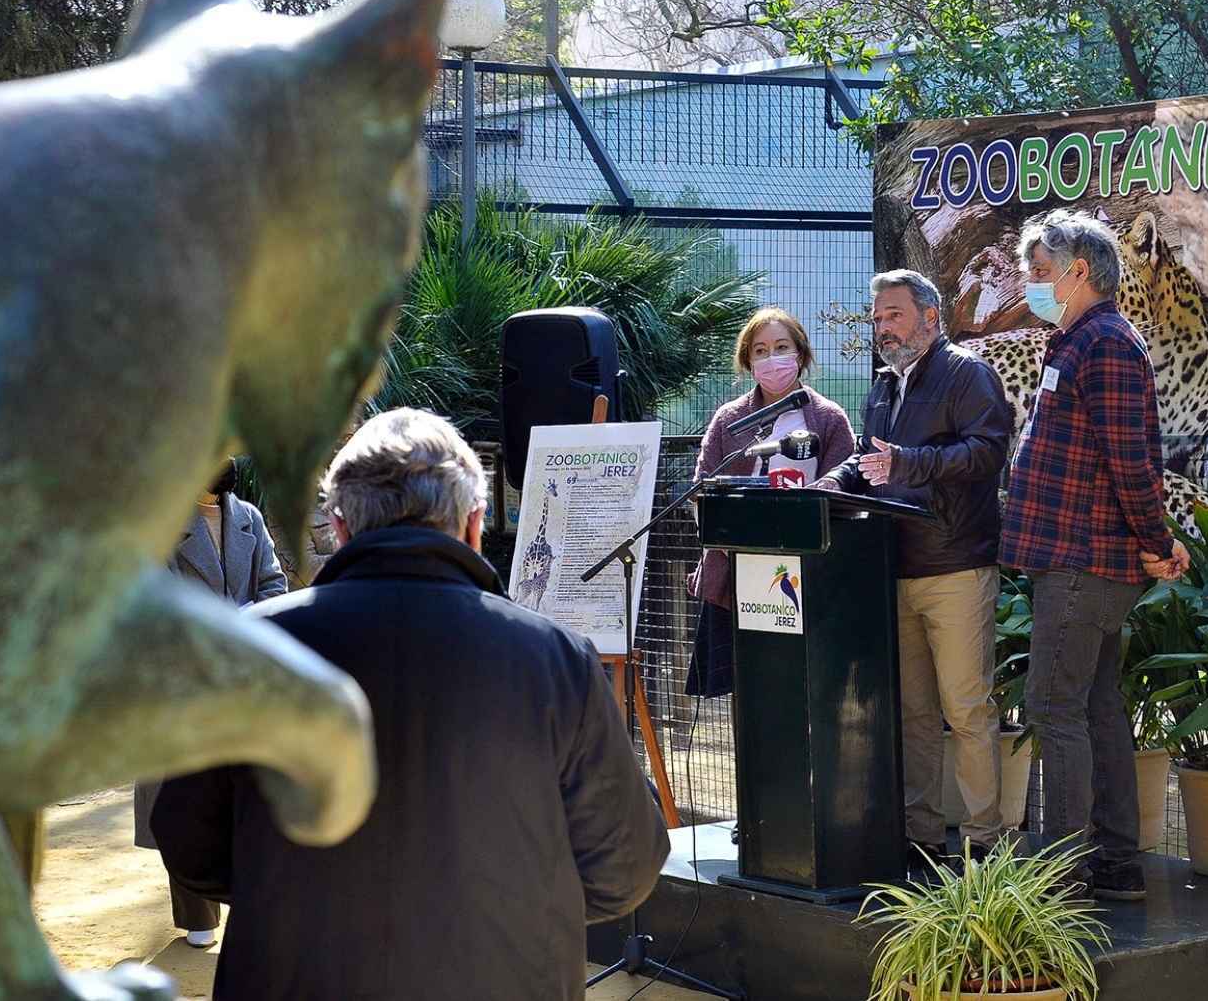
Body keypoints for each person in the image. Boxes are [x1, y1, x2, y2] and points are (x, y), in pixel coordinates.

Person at [152, 408, 669, 1001]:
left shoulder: (247, 652)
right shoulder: (558, 661)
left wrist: (289, 893)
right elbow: (626, 865)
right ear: (474, 524)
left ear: (342, 528)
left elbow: (189, 843)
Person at [999, 209, 1190, 902]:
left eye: (1041, 272)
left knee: (1055, 710)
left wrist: (1156, 541)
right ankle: (1115, 862)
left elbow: (1131, 462)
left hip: (1083, 564)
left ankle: (1059, 872)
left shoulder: (1104, 341)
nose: (1030, 284)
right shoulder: (1076, 339)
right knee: (1098, 707)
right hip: (1078, 561)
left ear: (1080, 271)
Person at [814, 271, 1012, 870]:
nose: (882, 328)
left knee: (966, 709)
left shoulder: (966, 374)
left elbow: (987, 452)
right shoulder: (883, 386)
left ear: (930, 316)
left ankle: (984, 843)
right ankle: (923, 838)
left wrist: (910, 463)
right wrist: (832, 482)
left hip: (954, 566)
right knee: (916, 714)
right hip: (892, 568)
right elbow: (868, 459)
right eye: (876, 319)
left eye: (893, 315)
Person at [132, 457, 287, 948]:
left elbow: (274, 583)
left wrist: (250, 621)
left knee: (243, 790)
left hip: (241, 674)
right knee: (181, 795)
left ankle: (250, 902)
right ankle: (197, 914)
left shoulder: (249, 518)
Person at [686, 307, 855, 697]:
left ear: (801, 354)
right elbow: (701, 488)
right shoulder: (729, 419)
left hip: (808, 577)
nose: (771, 358)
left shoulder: (829, 418)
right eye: (760, 350)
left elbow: (845, 491)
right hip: (735, 573)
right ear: (748, 361)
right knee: (749, 695)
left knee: (803, 689)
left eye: (781, 347)